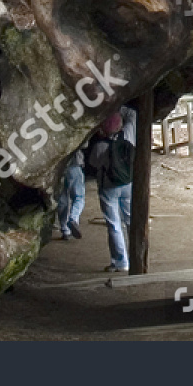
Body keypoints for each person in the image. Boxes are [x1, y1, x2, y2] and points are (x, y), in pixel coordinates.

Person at [85, 108, 136, 272]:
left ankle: (120, 262)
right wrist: (118, 106)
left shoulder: (100, 146)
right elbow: (133, 115)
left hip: (108, 187)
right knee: (131, 221)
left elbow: (93, 164)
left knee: (114, 225)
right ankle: (136, 256)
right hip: (128, 183)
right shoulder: (128, 135)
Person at [57, 146, 86, 241]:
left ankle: (65, 230)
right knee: (79, 197)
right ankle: (73, 218)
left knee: (62, 199)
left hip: (58, 167)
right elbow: (84, 144)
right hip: (74, 165)